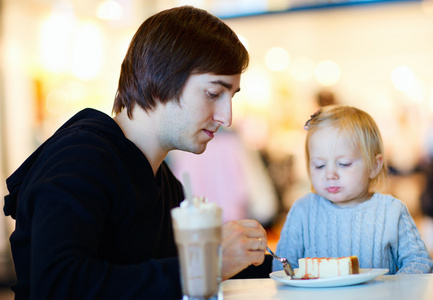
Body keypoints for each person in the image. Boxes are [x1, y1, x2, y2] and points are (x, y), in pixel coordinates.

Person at [3, 6, 267, 300]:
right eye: (214, 93)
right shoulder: (80, 159)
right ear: (160, 79)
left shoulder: (162, 181)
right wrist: (210, 264)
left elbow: (162, 274)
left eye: (231, 96)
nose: (226, 117)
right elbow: (59, 286)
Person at [273, 105, 433, 274]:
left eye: (344, 164)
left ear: (374, 165)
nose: (330, 174)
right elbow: (282, 267)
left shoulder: (391, 211)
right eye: (319, 166)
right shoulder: (302, 211)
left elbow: (421, 263)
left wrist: (393, 289)